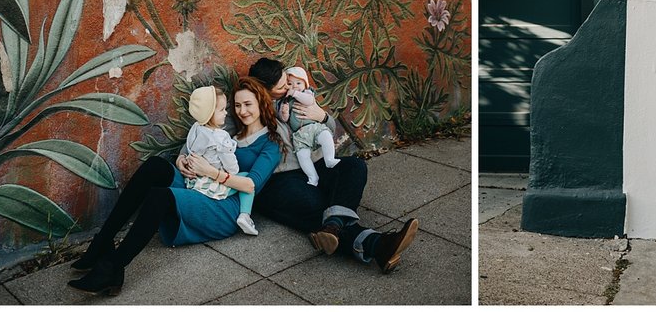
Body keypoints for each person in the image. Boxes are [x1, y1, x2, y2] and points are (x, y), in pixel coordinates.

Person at [67, 77, 283, 295]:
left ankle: (112, 269)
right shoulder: (228, 133)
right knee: (155, 166)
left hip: (226, 206)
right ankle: (102, 242)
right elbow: (190, 149)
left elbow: (250, 185)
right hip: (202, 185)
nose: (242, 111)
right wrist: (182, 162)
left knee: (160, 197)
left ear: (261, 104)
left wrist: (210, 171)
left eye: (248, 104)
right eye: (237, 105)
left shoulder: (271, 144)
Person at [247, 57, 418, 272]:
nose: (289, 88)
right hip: (281, 177)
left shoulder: (298, 97)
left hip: (314, 164)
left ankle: (334, 226)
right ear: (264, 89)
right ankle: (377, 244)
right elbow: (223, 136)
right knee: (316, 204)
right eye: (282, 87)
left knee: (354, 167)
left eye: (289, 82)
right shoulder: (252, 107)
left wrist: (322, 116)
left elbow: (328, 127)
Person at [183, 85, 258, 235]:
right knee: (246, 181)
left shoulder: (196, 128)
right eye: (222, 109)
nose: (225, 113)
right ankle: (245, 215)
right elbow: (232, 169)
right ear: (210, 113)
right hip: (211, 184)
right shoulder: (220, 137)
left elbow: (189, 149)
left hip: (194, 180)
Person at [279, 66, 340, 186]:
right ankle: (313, 177)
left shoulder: (307, 93)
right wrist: (285, 112)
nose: (294, 86)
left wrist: (295, 93)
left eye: (298, 83)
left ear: (305, 84)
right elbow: (285, 120)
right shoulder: (287, 100)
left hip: (313, 127)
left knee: (326, 135)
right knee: (302, 155)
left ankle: (329, 159)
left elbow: (308, 101)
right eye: (290, 84)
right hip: (300, 134)